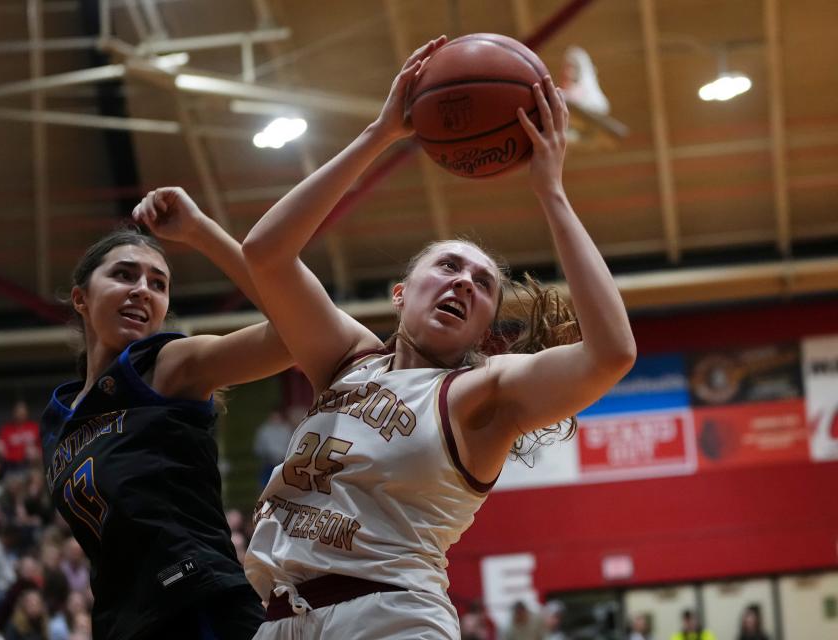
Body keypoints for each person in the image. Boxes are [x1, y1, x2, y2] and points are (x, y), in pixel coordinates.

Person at [240, 36, 636, 639]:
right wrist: (380, 134)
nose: (465, 283)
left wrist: (550, 192)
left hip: (391, 616)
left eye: (483, 284)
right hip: (278, 620)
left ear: (484, 327)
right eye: (447, 266)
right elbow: (265, 254)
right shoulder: (347, 360)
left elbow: (612, 353)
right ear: (402, 293)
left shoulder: (479, 395)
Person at [40, 188, 293, 640]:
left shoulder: (168, 365)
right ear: (80, 298)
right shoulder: (60, 418)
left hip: (200, 607)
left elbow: (300, 327)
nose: (142, 289)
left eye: (158, 283)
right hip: (124, 623)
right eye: (124, 274)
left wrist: (200, 232)